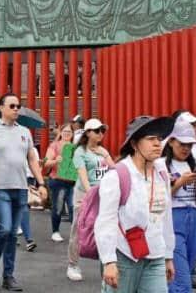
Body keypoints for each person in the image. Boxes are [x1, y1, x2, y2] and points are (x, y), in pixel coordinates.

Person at [96, 115, 176, 292]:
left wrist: (168, 256)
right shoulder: (118, 175)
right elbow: (105, 220)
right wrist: (109, 261)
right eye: (150, 139)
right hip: (123, 255)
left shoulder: (162, 175)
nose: (157, 144)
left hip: (155, 255)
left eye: (159, 139)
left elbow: (166, 218)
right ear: (134, 144)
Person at [0, 93, 48, 291]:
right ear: (1, 108)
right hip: (0, 187)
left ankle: (8, 275)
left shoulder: (25, 131)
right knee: (5, 228)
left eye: (18, 105)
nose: (17, 109)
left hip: (21, 187)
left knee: (12, 236)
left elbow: (32, 159)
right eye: (12, 105)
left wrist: (41, 183)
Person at [163, 120, 196, 292]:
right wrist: (179, 183)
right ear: (170, 141)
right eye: (182, 144)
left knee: (187, 271)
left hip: (195, 218)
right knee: (181, 278)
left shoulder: (194, 164)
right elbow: (159, 198)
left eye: (189, 145)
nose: (185, 149)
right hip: (173, 218)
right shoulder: (162, 165)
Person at [67, 118, 115, 282]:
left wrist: (106, 154)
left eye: (103, 130)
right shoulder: (80, 151)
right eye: (97, 130)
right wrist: (90, 195)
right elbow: (83, 175)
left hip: (104, 194)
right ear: (88, 133)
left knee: (105, 230)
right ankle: (73, 264)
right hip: (85, 195)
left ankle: (106, 266)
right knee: (79, 229)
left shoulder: (102, 150)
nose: (101, 133)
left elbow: (114, 170)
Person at [43, 124, 76, 243]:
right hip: (58, 181)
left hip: (72, 182)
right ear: (61, 132)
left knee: (73, 207)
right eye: (65, 131)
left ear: (72, 134)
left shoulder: (75, 147)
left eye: (69, 132)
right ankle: (55, 231)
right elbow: (46, 163)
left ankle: (75, 233)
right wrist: (55, 160)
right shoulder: (54, 145)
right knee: (58, 207)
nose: (67, 133)